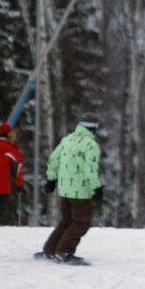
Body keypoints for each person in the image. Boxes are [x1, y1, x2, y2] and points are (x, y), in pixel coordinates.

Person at [40, 113, 103, 264]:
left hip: (65, 189)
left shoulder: (67, 140)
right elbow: (90, 169)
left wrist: (51, 179)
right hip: (80, 191)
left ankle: (50, 250)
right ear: (94, 129)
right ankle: (64, 251)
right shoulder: (91, 145)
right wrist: (97, 187)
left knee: (67, 221)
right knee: (82, 222)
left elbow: (54, 159)